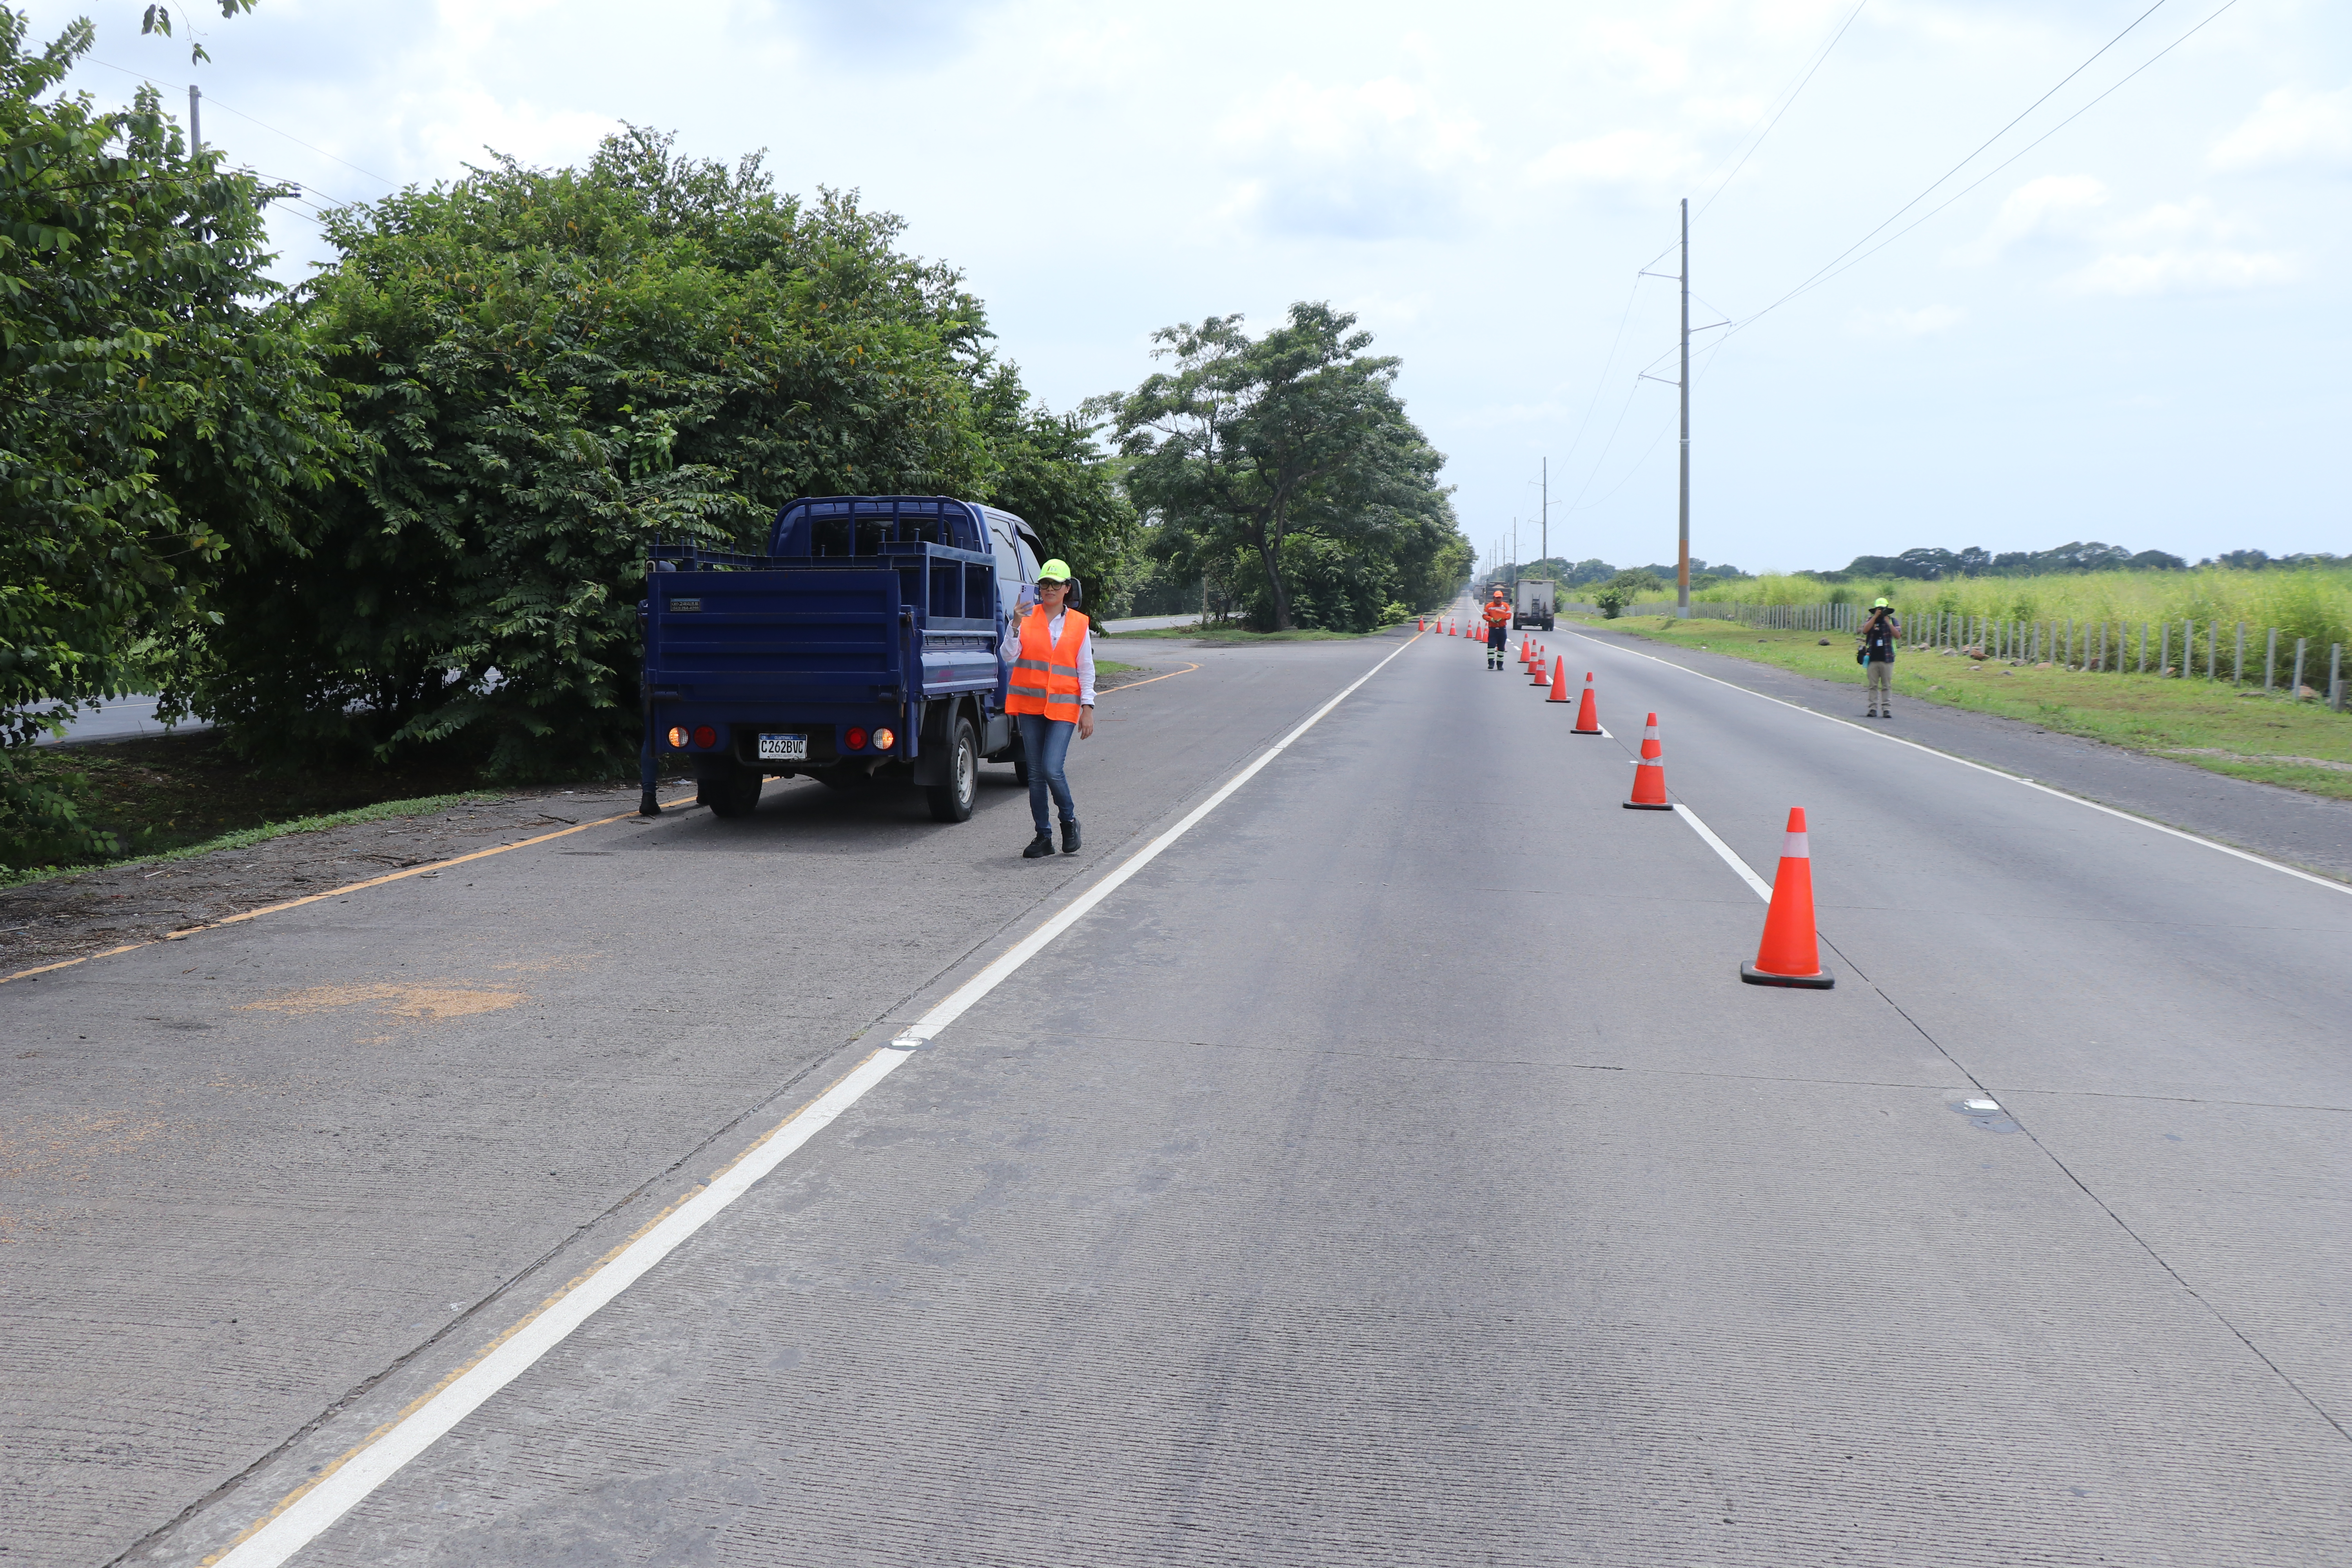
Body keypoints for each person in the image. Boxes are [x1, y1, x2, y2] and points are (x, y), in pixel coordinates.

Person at [1002, 559, 1095, 858]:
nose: (1050, 589)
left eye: (1057, 584)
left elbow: (1086, 669)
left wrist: (1088, 707)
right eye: (1045, 584)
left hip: (1064, 706)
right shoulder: (1025, 617)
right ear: (1038, 588)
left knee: (1052, 769)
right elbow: (1007, 656)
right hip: (1030, 705)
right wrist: (1015, 623)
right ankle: (1043, 836)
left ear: (1068, 588)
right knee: (1035, 774)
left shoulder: (1080, 623)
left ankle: (1068, 822)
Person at [1860, 598, 1902, 718]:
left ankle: (1886, 709)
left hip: (1887, 658)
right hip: (1872, 657)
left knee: (1886, 685)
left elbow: (1898, 636)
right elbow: (1865, 631)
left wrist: (1888, 623)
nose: (1882, 612)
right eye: (1879, 610)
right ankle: (1873, 708)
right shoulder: (1870, 621)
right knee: (1873, 685)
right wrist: (1874, 618)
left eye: (1883, 610)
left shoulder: (1893, 621)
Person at [1483, 584, 1512, 670]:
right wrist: (1491, 619)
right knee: (1491, 647)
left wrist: (1502, 618)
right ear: (1494, 598)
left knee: (1501, 648)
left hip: (1502, 630)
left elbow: (1509, 615)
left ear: (1502, 598)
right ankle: (1491, 663)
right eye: (1497, 598)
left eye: (1500, 598)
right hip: (1493, 629)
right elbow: (1484, 616)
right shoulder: (1489, 606)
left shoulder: (1506, 606)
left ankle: (1500, 665)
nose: (1498, 600)